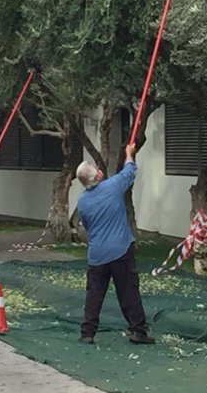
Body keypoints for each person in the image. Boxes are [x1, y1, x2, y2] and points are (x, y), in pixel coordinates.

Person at [76, 142, 154, 345]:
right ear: (98, 176)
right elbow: (129, 170)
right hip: (120, 249)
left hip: (97, 253)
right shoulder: (112, 187)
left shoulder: (83, 202)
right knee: (128, 292)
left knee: (94, 295)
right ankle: (138, 330)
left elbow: (87, 225)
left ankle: (87, 332)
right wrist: (129, 152)